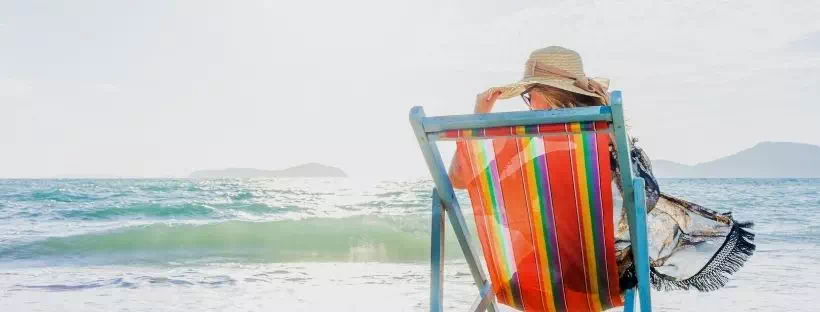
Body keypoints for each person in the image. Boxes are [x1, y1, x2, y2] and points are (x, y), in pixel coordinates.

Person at [448, 46, 755, 292]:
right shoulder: (604, 145)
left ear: (545, 93)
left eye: (529, 95)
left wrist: (478, 121)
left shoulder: (520, 144)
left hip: (534, 283)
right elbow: (643, 198)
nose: (528, 104)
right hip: (605, 282)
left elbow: (460, 181)